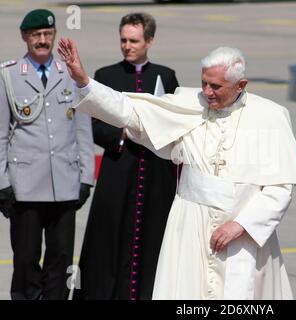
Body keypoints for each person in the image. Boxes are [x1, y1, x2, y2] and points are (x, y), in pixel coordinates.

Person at [58, 38, 296, 299]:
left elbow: (280, 188)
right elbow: (130, 110)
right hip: (190, 226)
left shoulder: (270, 116)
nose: (208, 92)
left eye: (216, 86)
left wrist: (242, 225)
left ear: (241, 85)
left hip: (243, 233)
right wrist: (84, 81)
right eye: (204, 83)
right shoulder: (190, 103)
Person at [73, 13, 178, 300]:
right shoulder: (107, 76)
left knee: (152, 238)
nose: (127, 46)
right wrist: (123, 135)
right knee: (109, 238)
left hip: (155, 173)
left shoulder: (165, 76)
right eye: (123, 40)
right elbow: (90, 123)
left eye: (134, 40)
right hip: (118, 169)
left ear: (150, 41)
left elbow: (175, 121)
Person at [0, 9, 95, 300]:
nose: (42, 40)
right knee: (27, 258)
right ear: (25, 37)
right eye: (36, 35)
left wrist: (86, 177)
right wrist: (2, 183)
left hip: (64, 184)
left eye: (47, 34)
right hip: (25, 186)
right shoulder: (9, 75)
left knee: (61, 257)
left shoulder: (69, 73)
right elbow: (1, 134)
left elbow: (83, 130)